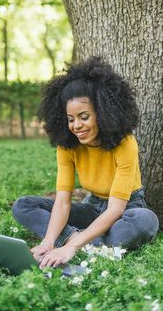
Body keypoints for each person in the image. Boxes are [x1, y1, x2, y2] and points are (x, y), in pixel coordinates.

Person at [12, 57, 159, 268]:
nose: (76, 125)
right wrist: (48, 242)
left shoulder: (125, 143)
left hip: (125, 209)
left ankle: (76, 241)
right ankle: (93, 243)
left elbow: (115, 210)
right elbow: (63, 201)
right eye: (71, 119)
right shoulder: (67, 145)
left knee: (146, 221)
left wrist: (72, 246)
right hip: (92, 206)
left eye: (84, 116)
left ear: (102, 113)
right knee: (23, 206)